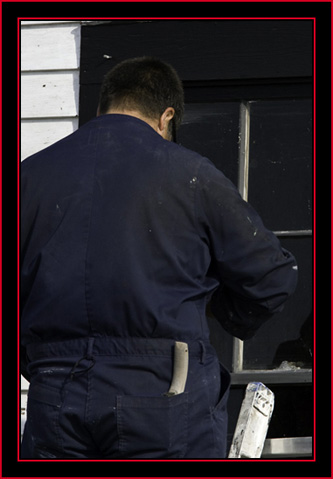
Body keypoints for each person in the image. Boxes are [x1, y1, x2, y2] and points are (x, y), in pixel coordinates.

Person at [20, 56, 298, 459]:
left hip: (55, 393)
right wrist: (218, 307)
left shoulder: (28, 177)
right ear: (167, 116)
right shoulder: (189, 173)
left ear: (103, 107)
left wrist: (43, 362)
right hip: (163, 392)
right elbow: (272, 277)